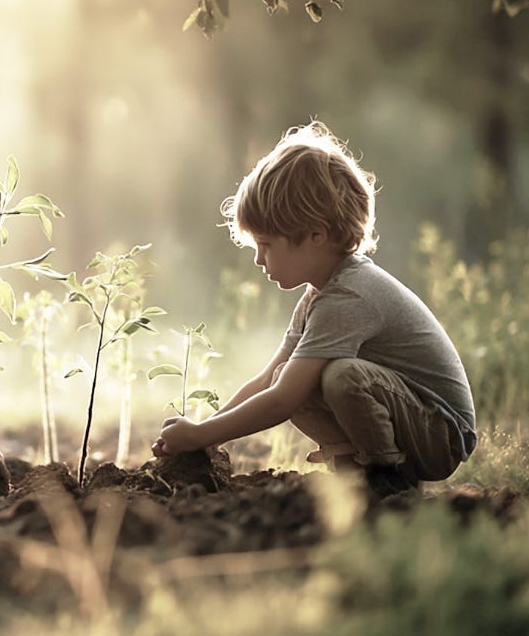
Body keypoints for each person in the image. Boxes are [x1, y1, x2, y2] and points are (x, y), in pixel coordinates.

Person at [151, 122, 476, 496]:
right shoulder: (319, 298)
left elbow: (282, 401)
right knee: (291, 375)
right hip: (415, 420)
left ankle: (386, 476)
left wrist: (201, 434)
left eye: (267, 244)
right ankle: (358, 465)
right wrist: (204, 435)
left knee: (342, 376)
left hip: (440, 434)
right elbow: (267, 381)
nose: (258, 259)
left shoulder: (349, 297)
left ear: (316, 236)